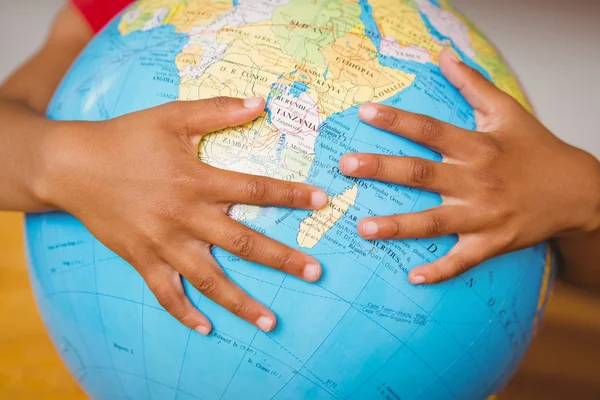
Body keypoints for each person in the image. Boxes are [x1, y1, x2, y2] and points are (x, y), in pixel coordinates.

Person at [1, 0, 598, 335]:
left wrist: (586, 204)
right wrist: (65, 159)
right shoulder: (121, 14)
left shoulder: (420, 33)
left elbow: (572, 275)